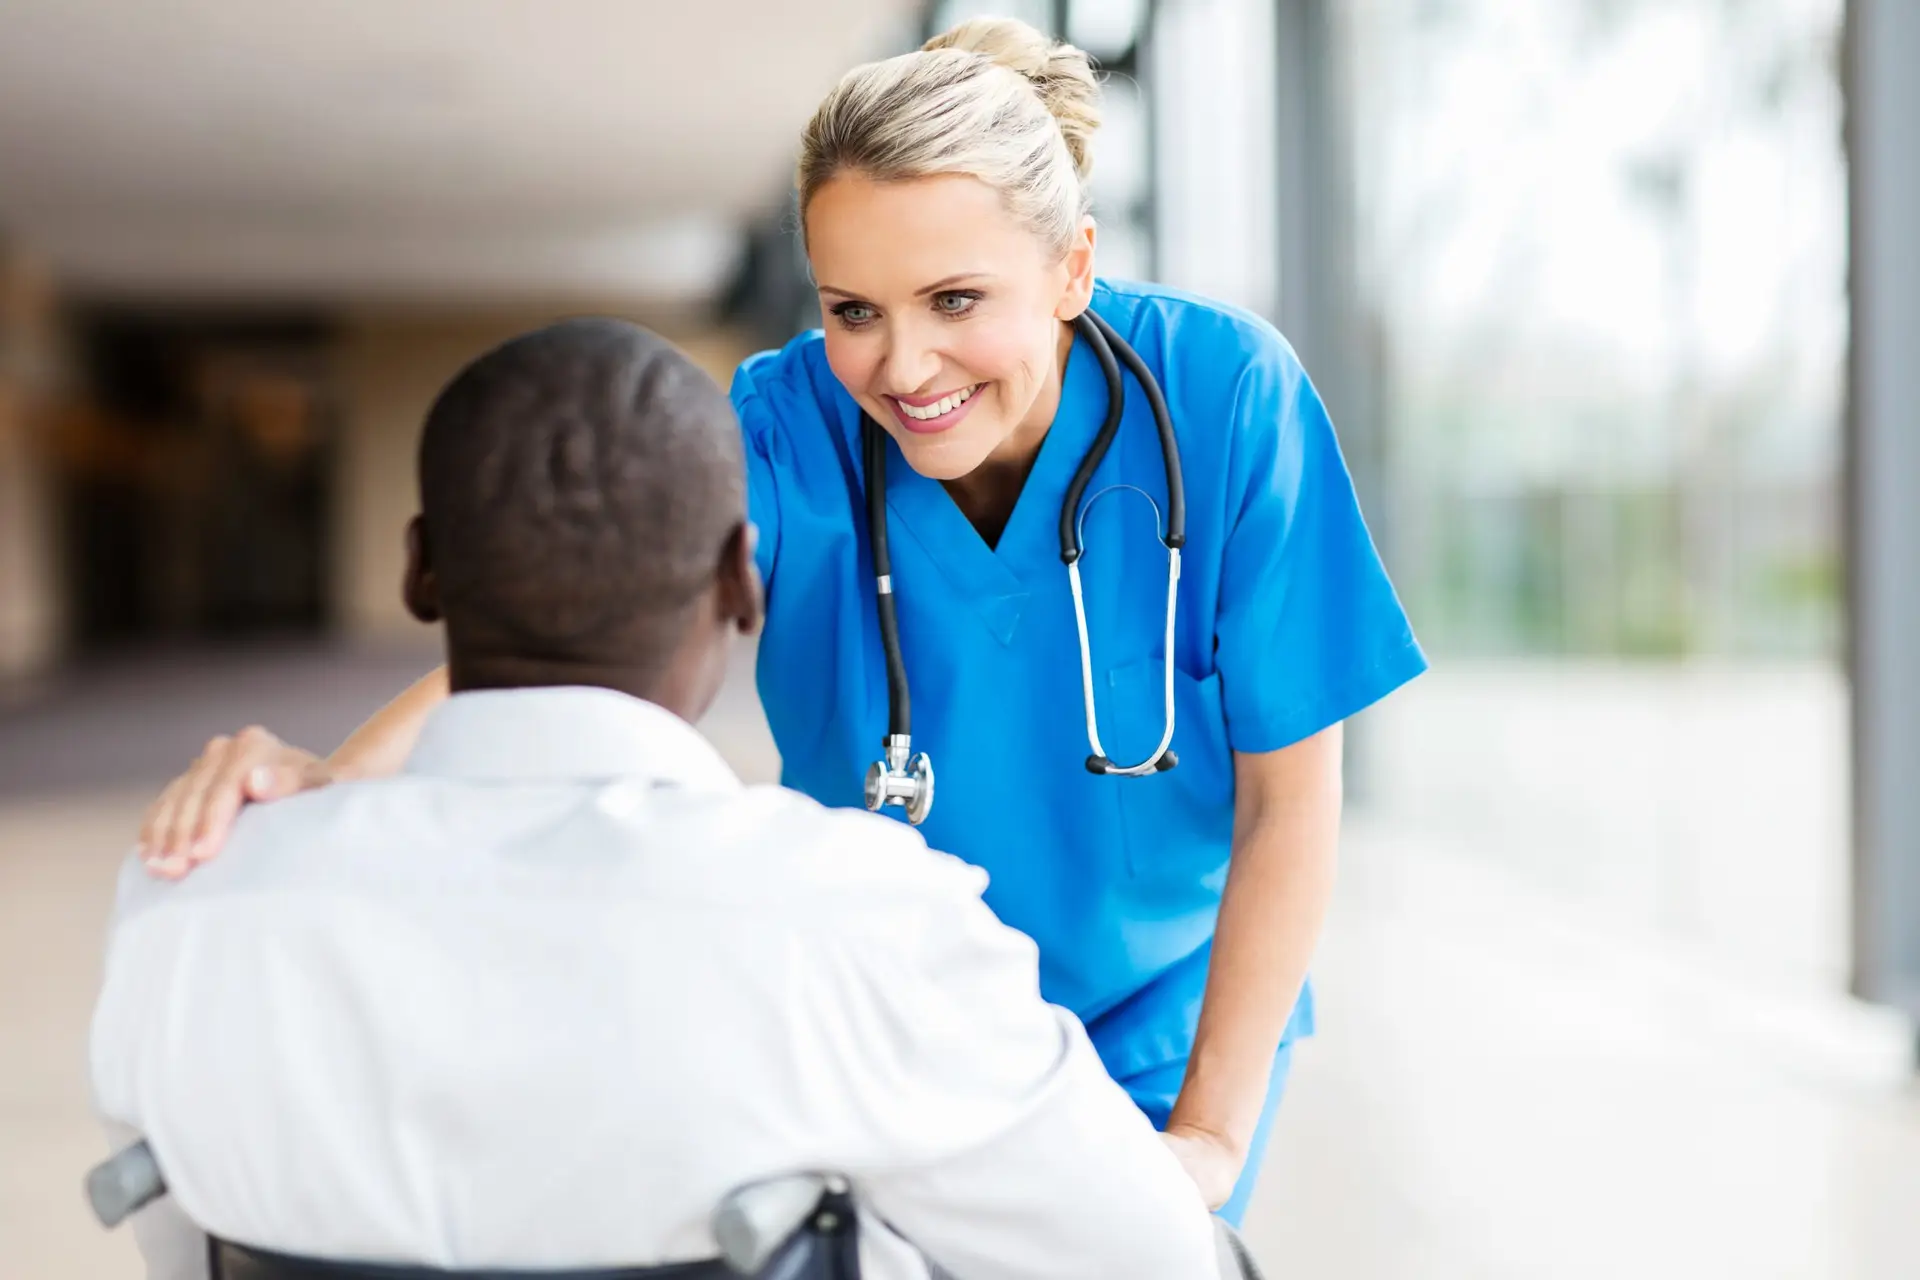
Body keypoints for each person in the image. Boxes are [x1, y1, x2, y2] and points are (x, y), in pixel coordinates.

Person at [135, 18, 1427, 1224]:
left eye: (956, 301)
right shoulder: (785, 420)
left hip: (1160, 1012)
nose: (902, 368)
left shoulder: (1226, 401)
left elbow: (1290, 803)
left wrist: (1206, 1135)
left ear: (1075, 263)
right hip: (882, 999)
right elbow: (574, 618)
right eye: (851, 309)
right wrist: (327, 774)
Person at [90, 319, 1224, 1280]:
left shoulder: (193, 897)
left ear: (424, 572)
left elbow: (184, 1239)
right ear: (741, 576)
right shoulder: (863, 920)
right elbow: (1154, 1257)